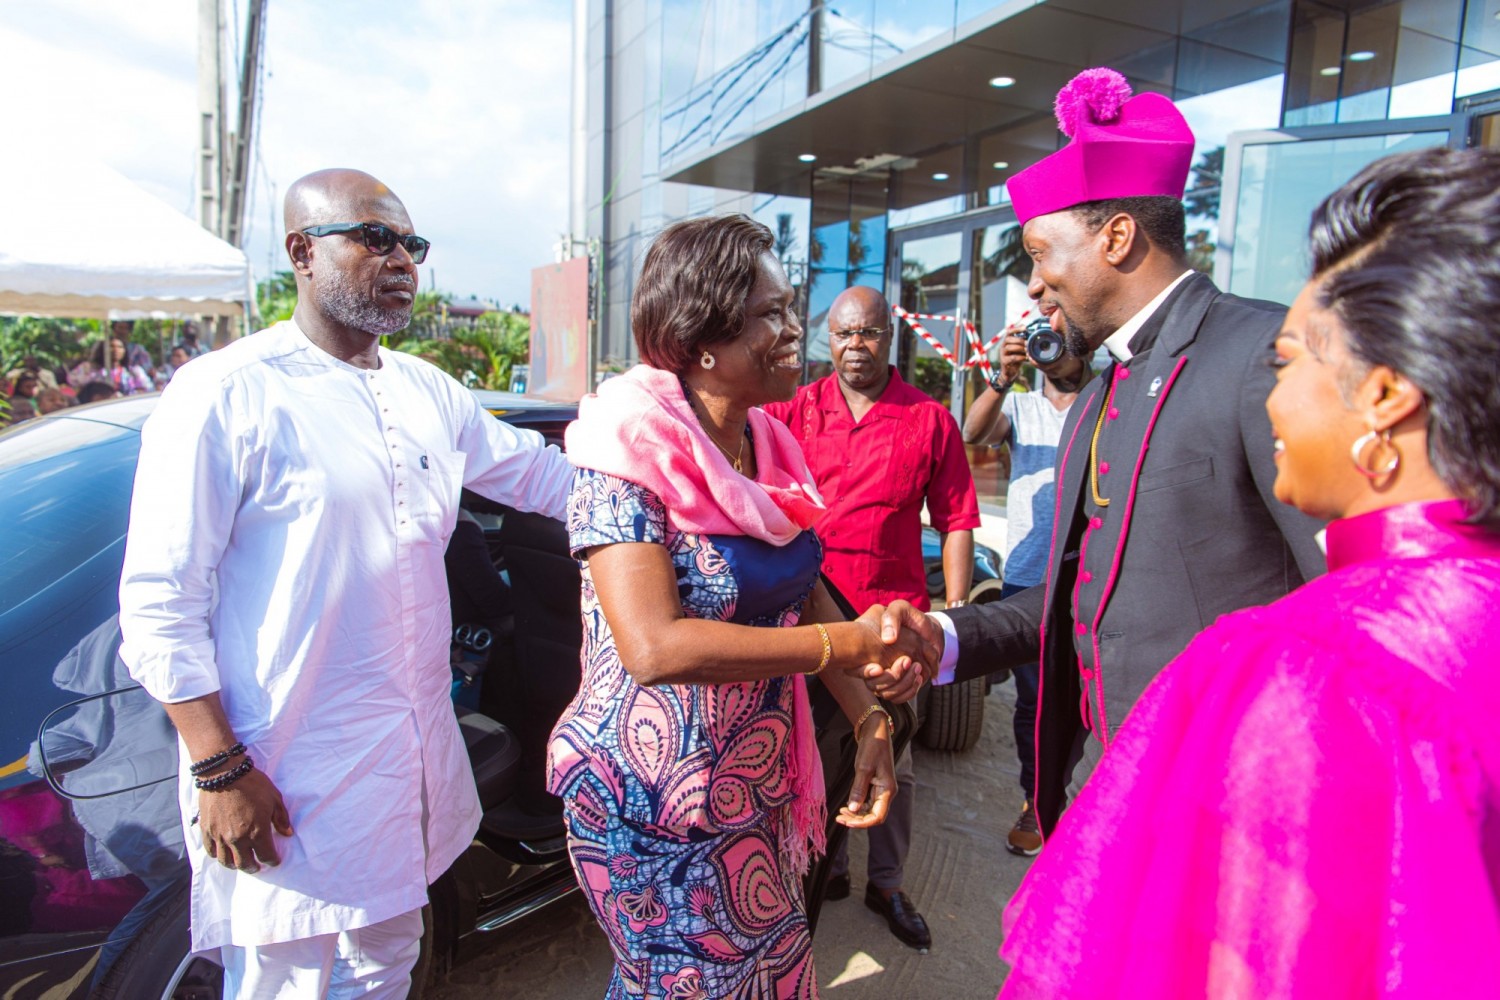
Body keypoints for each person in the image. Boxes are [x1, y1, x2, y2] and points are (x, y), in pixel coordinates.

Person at [997, 144, 1500, 999]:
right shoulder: (1101, 387)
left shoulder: (1316, 666)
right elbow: (1076, 596)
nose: (1277, 390)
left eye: (1299, 357)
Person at [117, 168, 576, 999]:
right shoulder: (225, 394)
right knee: (285, 984)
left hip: (410, 769)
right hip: (290, 778)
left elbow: (545, 480)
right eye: (374, 238)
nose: (400, 258)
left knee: (386, 968)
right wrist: (219, 770)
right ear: (301, 251)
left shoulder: (427, 390)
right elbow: (158, 604)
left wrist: (687, 483)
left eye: (411, 244)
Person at [872, 67, 1324, 837]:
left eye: (1044, 254)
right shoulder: (1099, 391)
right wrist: (942, 636)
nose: (1039, 284)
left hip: (1227, 809)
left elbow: (1347, 610)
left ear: (1116, 237)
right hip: (1109, 791)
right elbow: (1078, 601)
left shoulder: (1263, 354)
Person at [551, 215, 925, 1000]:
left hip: (750, 791)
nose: (795, 332)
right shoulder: (625, 452)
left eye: (792, 310)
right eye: (773, 314)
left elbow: (798, 587)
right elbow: (653, 647)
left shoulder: (765, 444)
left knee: (774, 982)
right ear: (702, 340)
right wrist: (844, 647)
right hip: (650, 801)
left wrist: (866, 718)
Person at [763, 284, 979, 951]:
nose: (855, 347)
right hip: (812, 624)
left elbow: (958, 520)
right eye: (844, 335)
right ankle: (822, 864)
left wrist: (958, 618)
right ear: (829, 339)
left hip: (892, 623)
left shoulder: (928, 420)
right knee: (810, 751)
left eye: (869, 334)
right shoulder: (792, 412)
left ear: (891, 337)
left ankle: (885, 882)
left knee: (895, 758)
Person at [961, 314, 1093, 857]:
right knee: (1033, 701)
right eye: (1042, 339)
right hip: (1025, 574)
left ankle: (1080, 803)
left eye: (1060, 338)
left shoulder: (1104, 400)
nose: (1050, 347)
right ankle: (1037, 802)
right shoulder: (1020, 406)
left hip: (1088, 573)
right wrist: (1001, 377)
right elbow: (971, 434)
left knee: (1086, 696)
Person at [70, 337, 152, 396]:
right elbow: (75, 385)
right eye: (111, 346)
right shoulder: (89, 369)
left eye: (120, 347)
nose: (116, 350)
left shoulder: (134, 372)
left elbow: (145, 390)